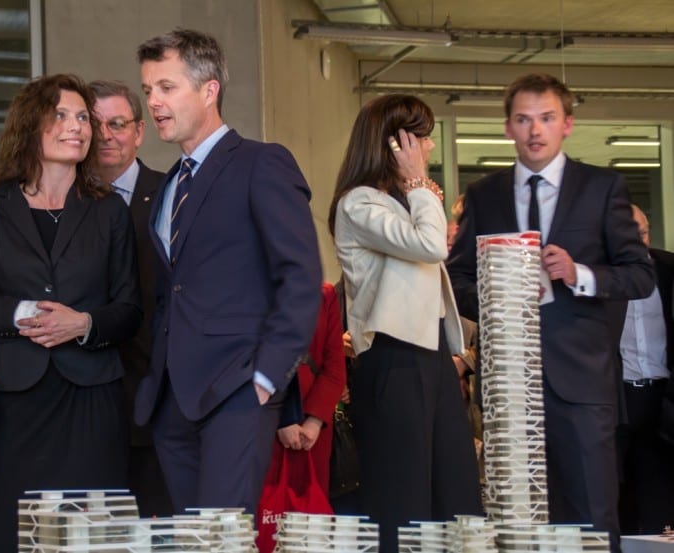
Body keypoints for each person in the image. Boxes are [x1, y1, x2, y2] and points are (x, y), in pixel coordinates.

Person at [446, 73, 655, 552]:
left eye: (546, 118)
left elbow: (638, 275)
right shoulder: (485, 195)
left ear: (567, 125)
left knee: (590, 516)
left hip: (580, 381)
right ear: (507, 128)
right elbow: (455, 281)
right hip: (506, 385)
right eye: (523, 119)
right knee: (514, 519)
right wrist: (502, 296)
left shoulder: (603, 187)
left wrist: (579, 272)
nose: (534, 130)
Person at [0, 74, 142, 552]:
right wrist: (22, 311)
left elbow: (130, 309)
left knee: (95, 538)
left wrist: (85, 323)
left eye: (82, 118)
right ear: (30, 126)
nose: (77, 127)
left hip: (92, 399)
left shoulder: (109, 210)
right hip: (13, 401)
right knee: (16, 536)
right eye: (61, 116)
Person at [134, 28, 322, 515]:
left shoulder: (262, 163)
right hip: (172, 400)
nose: (154, 101)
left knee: (223, 536)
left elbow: (300, 278)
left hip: (237, 391)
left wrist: (264, 378)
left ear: (209, 89)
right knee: (191, 542)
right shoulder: (171, 183)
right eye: (148, 89)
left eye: (167, 87)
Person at [329, 94, 482, 551]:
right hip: (394, 359)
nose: (428, 149)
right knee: (404, 503)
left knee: (457, 499)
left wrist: (418, 190)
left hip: (433, 357)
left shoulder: (407, 200)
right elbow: (432, 246)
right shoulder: (358, 203)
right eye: (420, 139)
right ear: (393, 144)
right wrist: (420, 185)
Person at [88, 79, 173, 517]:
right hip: (83, 399)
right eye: (95, 123)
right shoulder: (64, 202)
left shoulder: (173, 194)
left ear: (139, 131)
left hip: (156, 395)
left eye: (117, 123)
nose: (105, 135)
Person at [617, 204, 674, 534]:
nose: (637, 241)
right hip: (619, 396)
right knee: (617, 495)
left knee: (659, 496)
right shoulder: (600, 277)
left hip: (662, 397)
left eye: (642, 232)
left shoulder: (668, 269)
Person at [264, 282, 346, 497]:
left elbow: (335, 367)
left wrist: (315, 420)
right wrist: (282, 416)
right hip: (263, 416)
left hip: (313, 425)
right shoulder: (250, 290)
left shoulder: (324, 294)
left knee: (310, 508)